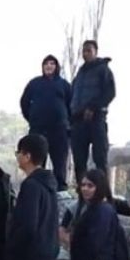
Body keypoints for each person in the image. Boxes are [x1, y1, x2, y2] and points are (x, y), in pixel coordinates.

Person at [20, 55, 73, 191]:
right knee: (36, 163)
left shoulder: (64, 85)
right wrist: (32, 118)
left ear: (56, 67)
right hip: (38, 130)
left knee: (60, 164)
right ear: (42, 67)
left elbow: (72, 105)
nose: (49, 66)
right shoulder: (34, 84)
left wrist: (67, 122)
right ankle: (36, 190)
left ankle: (60, 191)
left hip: (59, 131)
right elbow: (24, 102)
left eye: (52, 63)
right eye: (46, 64)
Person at [69, 40, 116, 178]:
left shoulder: (103, 70)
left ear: (95, 51)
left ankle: (102, 188)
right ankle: (81, 188)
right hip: (78, 121)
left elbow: (110, 92)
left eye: (89, 50)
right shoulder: (80, 74)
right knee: (79, 160)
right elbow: (72, 96)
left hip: (96, 118)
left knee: (100, 157)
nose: (86, 54)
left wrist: (93, 107)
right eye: (84, 51)